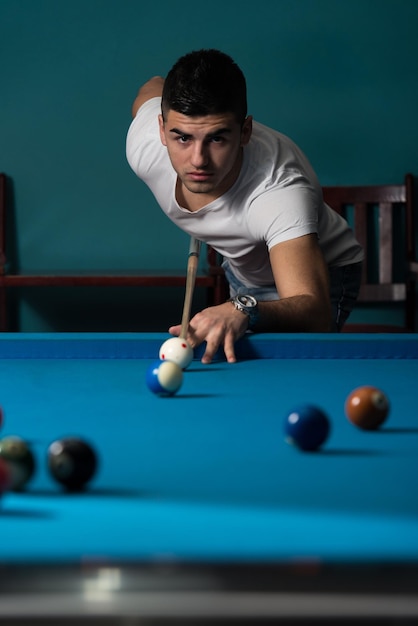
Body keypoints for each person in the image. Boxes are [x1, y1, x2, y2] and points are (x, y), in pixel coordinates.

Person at [126, 49, 363, 364]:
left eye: (217, 139)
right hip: (245, 266)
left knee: (295, 370)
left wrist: (242, 308)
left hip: (319, 275)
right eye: (182, 138)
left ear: (245, 131)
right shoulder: (146, 149)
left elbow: (313, 310)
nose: (197, 160)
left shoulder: (279, 191)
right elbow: (153, 85)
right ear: (160, 128)